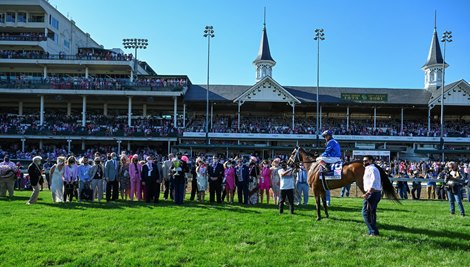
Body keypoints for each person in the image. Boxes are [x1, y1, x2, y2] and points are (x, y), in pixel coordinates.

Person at [361, 155, 382, 236]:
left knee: (365, 213)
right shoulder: (369, 169)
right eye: (363, 161)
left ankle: (373, 232)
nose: (364, 162)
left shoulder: (372, 169)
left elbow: (374, 181)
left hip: (372, 193)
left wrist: (368, 193)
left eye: (366, 161)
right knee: (371, 213)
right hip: (374, 193)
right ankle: (373, 232)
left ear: (371, 161)